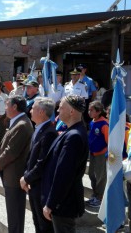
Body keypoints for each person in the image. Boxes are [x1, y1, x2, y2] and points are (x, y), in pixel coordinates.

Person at [42, 95, 89, 232]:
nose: (57, 111)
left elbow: (64, 174)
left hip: (64, 202)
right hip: (62, 201)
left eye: (61, 108)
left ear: (72, 111)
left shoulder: (74, 136)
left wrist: (51, 203)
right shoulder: (71, 131)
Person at [0, 95, 33, 233]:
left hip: (15, 175)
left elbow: (12, 151)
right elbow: (5, 145)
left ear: (14, 107)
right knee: (12, 213)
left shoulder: (22, 124)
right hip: (10, 173)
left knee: (15, 213)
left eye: (6, 105)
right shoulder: (16, 122)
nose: (5, 108)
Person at [20, 97, 58, 233]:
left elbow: (42, 163)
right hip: (33, 184)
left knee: (44, 226)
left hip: (41, 186)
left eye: (33, 108)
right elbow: (31, 158)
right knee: (37, 222)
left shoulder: (49, 133)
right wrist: (26, 176)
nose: (30, 111)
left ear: (41, 112)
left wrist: (26, 178)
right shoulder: (38, 129)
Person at [86, 100, 108, 208]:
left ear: (98, 111)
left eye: (91, 110)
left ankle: (100, 198)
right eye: (89, 110)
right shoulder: (92, 122)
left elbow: (109, 141)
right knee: (91, 174)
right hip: (93, 153)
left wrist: (106, 154)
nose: (89, 112)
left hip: (101, 154)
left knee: (100, 176)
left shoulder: (104, 123)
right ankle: (95, 195)